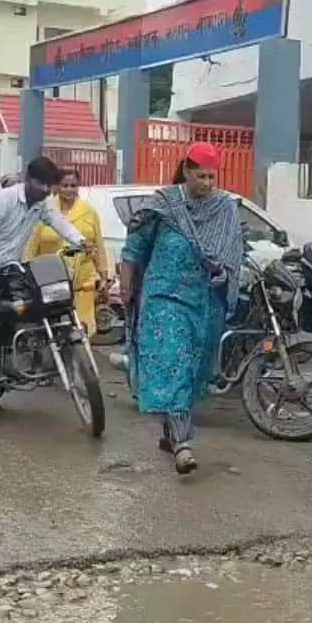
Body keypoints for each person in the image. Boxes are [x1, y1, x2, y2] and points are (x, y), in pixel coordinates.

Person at [119, 142, 245, 475]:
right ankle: (182, 444)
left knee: (192, 369)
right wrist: (125, 287)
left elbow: (232, 252)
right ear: (186, 171)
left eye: (211, 176)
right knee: (173, 360)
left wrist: (223, 272)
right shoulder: (162, 205)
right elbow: (133, 248)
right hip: (163, 298)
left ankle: (169, 431)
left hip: (204, 301)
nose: (207, 183)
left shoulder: (224, 208)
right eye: (200, 175)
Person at [0, 157, 89, 383]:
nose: (46, 190)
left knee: (33, 301)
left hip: (10, 265)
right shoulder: (3, 200)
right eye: (41, 184)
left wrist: (80, 241)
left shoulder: (43, 202)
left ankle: (27, 352)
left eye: (49, 186)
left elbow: (58, 222)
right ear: (28, 180)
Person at [24, 169, 109, 336]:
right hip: (52, 284)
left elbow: (99, 245)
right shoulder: (45, 211)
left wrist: (104, 277)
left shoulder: (89, 212)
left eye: (73, 185)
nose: (69, 189)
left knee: (83, 333)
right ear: (56, 187)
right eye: (65, 185)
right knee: (55, 334)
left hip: (83, 283)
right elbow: (30, 247)